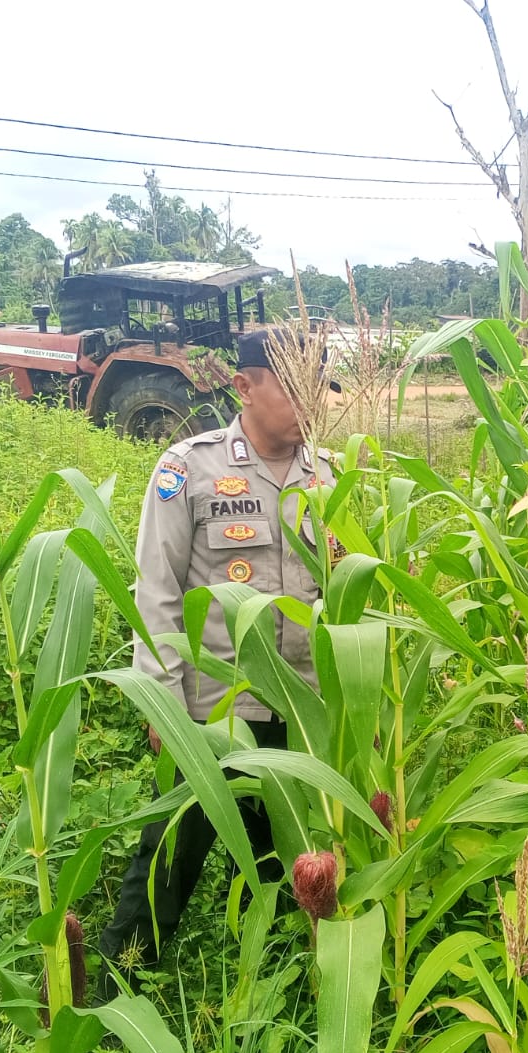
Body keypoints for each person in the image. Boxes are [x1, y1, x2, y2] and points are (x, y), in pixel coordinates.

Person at [98, 327, 340, 991]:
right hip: (214, 710)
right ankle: (114, 996)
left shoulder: (329, 475)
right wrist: (164, 701)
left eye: (317, 384)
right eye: (293, 386)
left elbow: (344, 591)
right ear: (245, 386)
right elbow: (158, 588)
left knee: (279, 868)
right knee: (169, 860)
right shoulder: (190, 467)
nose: (308, 401)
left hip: (301, 712)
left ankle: (265, 1005)